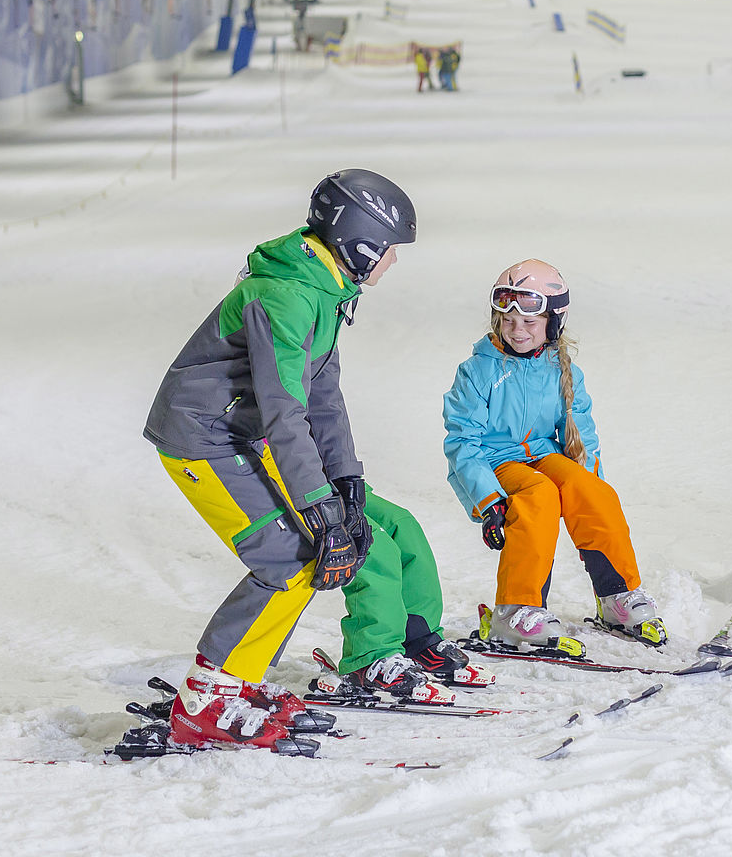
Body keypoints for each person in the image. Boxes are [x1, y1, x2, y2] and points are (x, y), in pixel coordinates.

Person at [144, 170, 443, 751]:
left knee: (303, 554)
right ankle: (208, 699)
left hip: (238, 434)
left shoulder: (325, 289)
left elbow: (322, 396)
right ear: (361, 242)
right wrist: (320, 510)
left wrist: (346, 482)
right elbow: (286, 413)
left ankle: (235, 682)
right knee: (290, 556)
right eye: (389, 250)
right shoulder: (289, 296)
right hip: (202, 438)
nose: (393, 263)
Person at [442, 260, 665, 653]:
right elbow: (463, 441)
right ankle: (516, 610)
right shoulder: (478, 372)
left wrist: (588, 480)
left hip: (543, 455)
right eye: (508, 321)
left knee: (592, 490)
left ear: (553, 322)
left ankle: (618, 596)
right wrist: (488, 501)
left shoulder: (563, 370)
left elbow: (583, 433)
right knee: (538, 496)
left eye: (529, 322)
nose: (517, 330)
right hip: (496, 463)